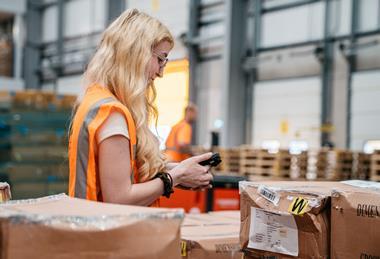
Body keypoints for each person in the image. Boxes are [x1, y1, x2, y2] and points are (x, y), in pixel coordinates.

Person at [68, 9, 213, 207]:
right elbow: (120, 198)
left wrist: (181, 171)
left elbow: (125, 170)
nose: (161, 72)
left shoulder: (96, 100)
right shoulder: (112, 113)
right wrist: (174, 177)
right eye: (160, 59)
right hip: (107, 234)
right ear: (136, 55)